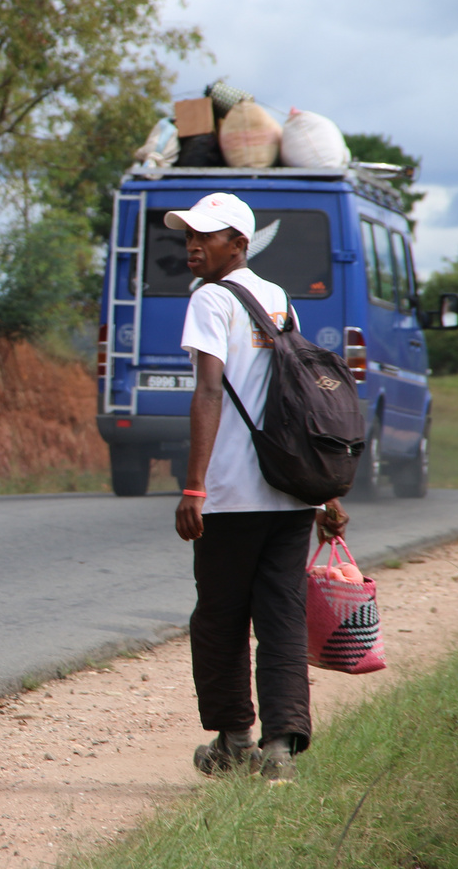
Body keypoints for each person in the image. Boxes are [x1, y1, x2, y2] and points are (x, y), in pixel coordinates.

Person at [169, 191, 349, 785]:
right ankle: (280, 752)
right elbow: (302, 405)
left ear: (239, 244)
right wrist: (322, 493)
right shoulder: (279, 301)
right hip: (289, 492)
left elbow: (209, 392)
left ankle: (234, 740)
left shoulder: (210, 300)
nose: (193, 244)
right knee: (280, 615)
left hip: (230, 495)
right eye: (189, 234)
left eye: (207, 235)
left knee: (220, 616)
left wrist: (194, 487)